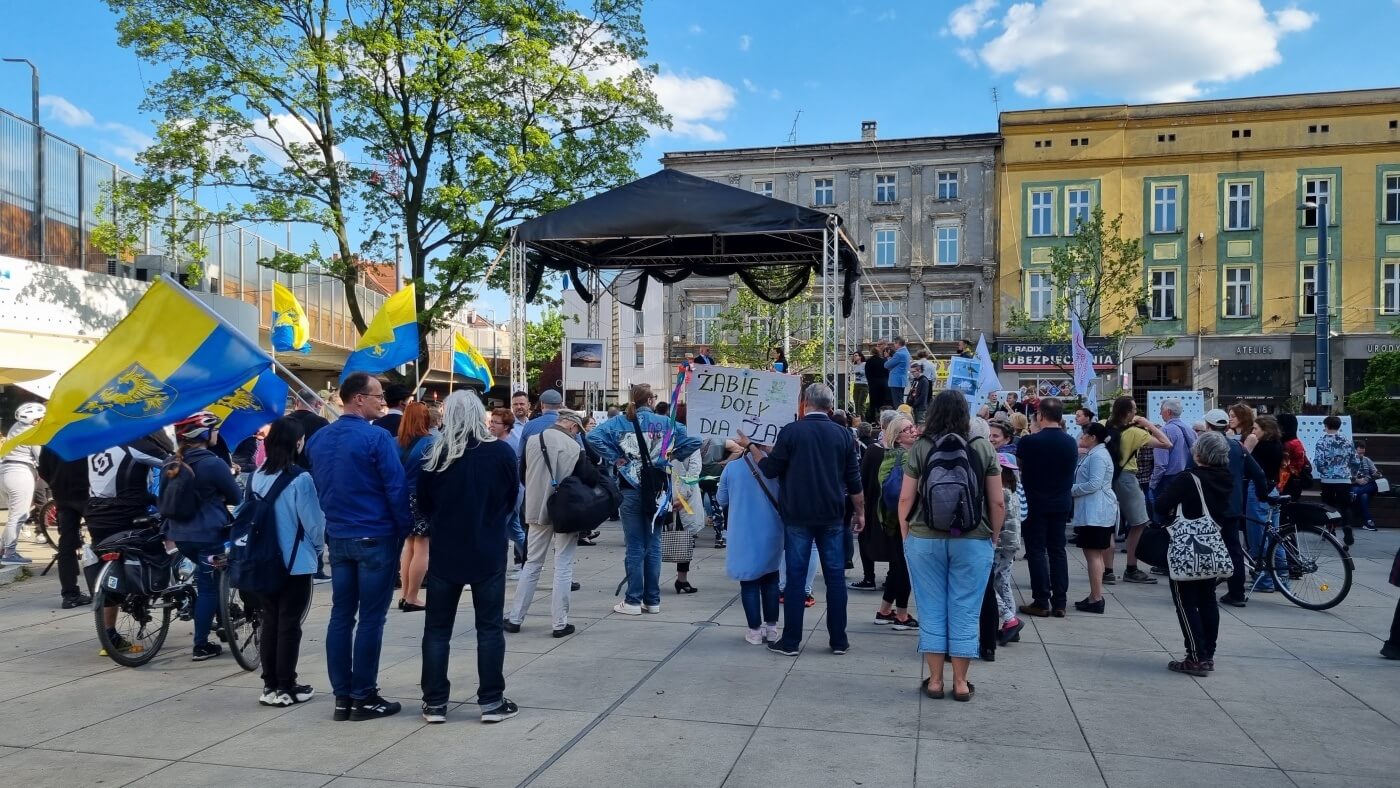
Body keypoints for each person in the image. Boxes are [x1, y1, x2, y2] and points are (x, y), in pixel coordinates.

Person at [307, 372, 410, 721]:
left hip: (339, 536)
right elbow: (396, 489)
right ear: (358, 399)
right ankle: (363, 695)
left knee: (341, 616)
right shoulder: (376, 438)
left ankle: (343, 696)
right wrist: (404, 528)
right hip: (373, 535)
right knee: (370, 619)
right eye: (378, 395)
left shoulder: (319, 439)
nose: (383, 401)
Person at [417, 391, 520, 725]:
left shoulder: (436, 453)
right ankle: (490, 700)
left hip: (447, 550)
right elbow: (510, 498)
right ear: (480, 415)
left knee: (437, 629)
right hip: (487, 548)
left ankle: (434, 702)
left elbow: (424, 502)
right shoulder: (501, 452)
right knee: (489, 628)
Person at [742, 383, 864, 657]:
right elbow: (854, 479)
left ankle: (791, 640)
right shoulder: (844, 435)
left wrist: (752, 447)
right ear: (830, 406)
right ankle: (838, 640)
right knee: (835, 578)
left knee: (795, 578)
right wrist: (860, 511)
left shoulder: (792, 432)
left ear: (804, 403)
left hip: (797, 514)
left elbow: (771, 470)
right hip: (832, 514)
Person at [900, 390, 1004, 701]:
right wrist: (994, 535)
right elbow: (997, 500)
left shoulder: (921, 446)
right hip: (972, 539)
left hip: (925, 538)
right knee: (966, 610)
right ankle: (960, 683)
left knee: (931, 609)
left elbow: (905, 497)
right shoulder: (982, 446)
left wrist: (906, 531)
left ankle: (934, 681)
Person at [587, 383, 701, 615]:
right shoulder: (665, 423)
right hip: (658, 490)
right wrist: (668, 456)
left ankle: (633, 600)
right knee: (654, 544)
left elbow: (592, 437)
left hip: (630, 487)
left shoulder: (619, 422)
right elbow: (695, 441)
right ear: (650, 401)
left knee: (635, 545)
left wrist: (618, 459)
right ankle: (652, 599)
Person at [241, 417, 326, 707]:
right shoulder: (300, 478)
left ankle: (270, 685)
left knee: (270, 620)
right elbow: (314, 522)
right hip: (294, 562)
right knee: (289, 623)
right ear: (297, 443)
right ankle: (287, 685)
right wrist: (317, 549)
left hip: (261, 560)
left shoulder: (255, 476)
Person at [163, 411, 244, 661]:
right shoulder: (213, 463)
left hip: (180, 537)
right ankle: (201, 645)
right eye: (214, 429)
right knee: (209, 588)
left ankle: (219, 618)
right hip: (209, 535)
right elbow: (236, 497)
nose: (216, 434)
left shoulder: (170, 463)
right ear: (204, 433)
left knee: (206, 578)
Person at [84, 432, 172, 655]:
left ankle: (109, 633)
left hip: (96, 516)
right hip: (126, 516)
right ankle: (145, 593)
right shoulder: (134, 444)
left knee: (108, 562)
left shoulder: (97, 443)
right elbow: (172, 463)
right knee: (155, 550)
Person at [1154, 431, 1233, 676]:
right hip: (1211, 544)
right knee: (1208, 599)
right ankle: (1208, 654)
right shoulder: (1226, 477)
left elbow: (1161, 504)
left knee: (1185, 601)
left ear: (1199, 453)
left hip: (1187, 548)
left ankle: (1195, 656)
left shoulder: (1188, 478)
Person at [508, 409, 590, 637]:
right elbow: (588, 478)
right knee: (563, 565)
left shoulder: (534, 440)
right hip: (566, 512)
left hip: (537, 509)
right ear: (573, 427)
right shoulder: (575, 448)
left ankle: (515, 617)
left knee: (532, 563)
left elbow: (522, 473)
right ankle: (559, 623)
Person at [1200, 409, 1273, 608]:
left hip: (1207, 506)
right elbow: (1258, 473)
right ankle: (1236, 593)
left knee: (1204, 548)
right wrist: (1263, 494)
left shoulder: (1203, 446)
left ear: (1207, 426)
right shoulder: (1237, 447)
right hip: (1232, 506)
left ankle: (1202, 591)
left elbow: (1190, 473)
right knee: (1234, 549)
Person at [1015, 397, 1077, 618]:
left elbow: (1019, 467)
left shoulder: (1029, 442)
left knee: (1036, 550)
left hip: (1035, 502)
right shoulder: (1070, 441)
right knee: (1058, 550)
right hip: (1061, 502)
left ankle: (1041, 600)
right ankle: (1060, 601)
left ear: (1040, 415)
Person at [718, 440, 784, 644]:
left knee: (748, 582)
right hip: (772, 530)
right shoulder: (777, 468)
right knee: (771, 579)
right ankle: (772, 628)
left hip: (742, 531)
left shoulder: (732, 467)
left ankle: (754, 630)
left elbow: (721, 499)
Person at [1104, 397, 1172, 585]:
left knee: (1107, 524)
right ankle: (1131, 568)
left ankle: (1107, 570)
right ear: (1127, 412)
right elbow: (1166, 443)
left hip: (1105, 477)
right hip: (1126, 478)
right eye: (1134, 409)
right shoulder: (1135, 431)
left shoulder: (1103, 425)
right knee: (1139, 522)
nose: (1136, 412)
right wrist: (1147, 423)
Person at [872, 415, 918, 630]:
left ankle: (884, 611)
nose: (913, 430)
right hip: (904, 520)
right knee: (903, 568)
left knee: (896, 567)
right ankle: (901, 615)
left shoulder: (889, 456)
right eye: (907, 429)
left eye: (912, 426)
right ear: (897, 437)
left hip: (890, 520)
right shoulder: (907, 458)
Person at [1070, 423, 1118, 614]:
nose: (1081, 437)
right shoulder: (1095, 453)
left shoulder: (1098, 455)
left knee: (1094, 555)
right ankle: (1094, 596)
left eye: (1084, 435)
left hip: (1096, 511)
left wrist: (1071, 490)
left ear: (1092, 437)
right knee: (1092, 555)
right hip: (1092, 510)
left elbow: (1094, 484)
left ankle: (1096, 597)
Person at [37, 444, 91, 607]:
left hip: (62, 494)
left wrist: (55, 483)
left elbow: (43, 469)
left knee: (66, 544)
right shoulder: (88, 431)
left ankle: (69, 594)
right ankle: (104, 590)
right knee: (101, 540)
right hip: (87, 492)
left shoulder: (52, 437)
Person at [396, 403, 436, 612]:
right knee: (423, 547)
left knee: (408, 547)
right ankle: (413, 597)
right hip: (422, 497)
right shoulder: (432, 443)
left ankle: (404, 595)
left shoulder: (395, 443)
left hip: (401, 498)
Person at [0, 402, 46, 564]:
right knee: (19, 516)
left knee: (14, 515)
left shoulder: (16, 427)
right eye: (41, 418)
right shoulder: (33, 433)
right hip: (20, 473)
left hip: (5, 472)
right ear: (34, 421)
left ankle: (2, 549)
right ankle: (9, 553)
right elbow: (41, 458)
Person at [992, 454, 1024, 644]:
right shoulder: (1013, 491)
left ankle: (1009, 619)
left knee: (987, 585)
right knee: (1003, 583)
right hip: (1011, 544)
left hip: (1000, 544)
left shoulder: (1000, 493)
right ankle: (1012, 626)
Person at [1314, 415, 1358, 547]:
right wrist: (1352, 474)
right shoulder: (1347, 441)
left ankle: (1331, 531)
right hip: (1344, 478)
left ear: (1326, 426)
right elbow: (1355, 460)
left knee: (1328, 506)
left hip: (1328, 480)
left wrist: (1324, 472)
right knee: (1345, 506)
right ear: (1339, 426)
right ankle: (1347, 526)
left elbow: (1319, 461)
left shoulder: (1322, 441)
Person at [1351, 439, 1383, 532]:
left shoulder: (1367, 460)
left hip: (1367, 485)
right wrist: (1357, 480)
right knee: (1364, 496)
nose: (1361, 455)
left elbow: (1375, 472)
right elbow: (1346, 476)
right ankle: (1369, 522)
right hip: (1356, 485)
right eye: (1359, 453)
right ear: (1354, 450)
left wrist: (1375, 475)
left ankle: (1355, 493)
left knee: (1377, 484)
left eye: (1363, 453)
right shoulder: (1349, 460)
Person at [865, 344, 891, 420]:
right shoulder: (883, 361)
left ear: (872, 353)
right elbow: (887, 373)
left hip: (873, 384)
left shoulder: (868, 361)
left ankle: (872, 420)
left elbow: (867, 373)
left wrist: (870, 381)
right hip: (883, 383)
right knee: (883, 402)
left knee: (873, 402)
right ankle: (883, 419)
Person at [885, 337, 911, 406]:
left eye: (894, 343)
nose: (894, 345)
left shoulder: (898, 354)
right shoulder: (906, 352)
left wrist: (888, 357)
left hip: (896, 381)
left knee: (897, 403)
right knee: (900, 401)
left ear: (898, 343)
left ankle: (900, 416)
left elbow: (886, 365)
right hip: (902, 380)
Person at [851, 351, 869, 418]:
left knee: (861, 402)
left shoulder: (864, 364)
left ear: (860, 356)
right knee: (856, 402)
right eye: (854, 355)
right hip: (856, 384)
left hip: (864, 384)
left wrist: (860, 372)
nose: (854, 357)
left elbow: (867, 373)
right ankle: (857, 417)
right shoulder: (855, 366)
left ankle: (862, 418)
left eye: (856, 355)